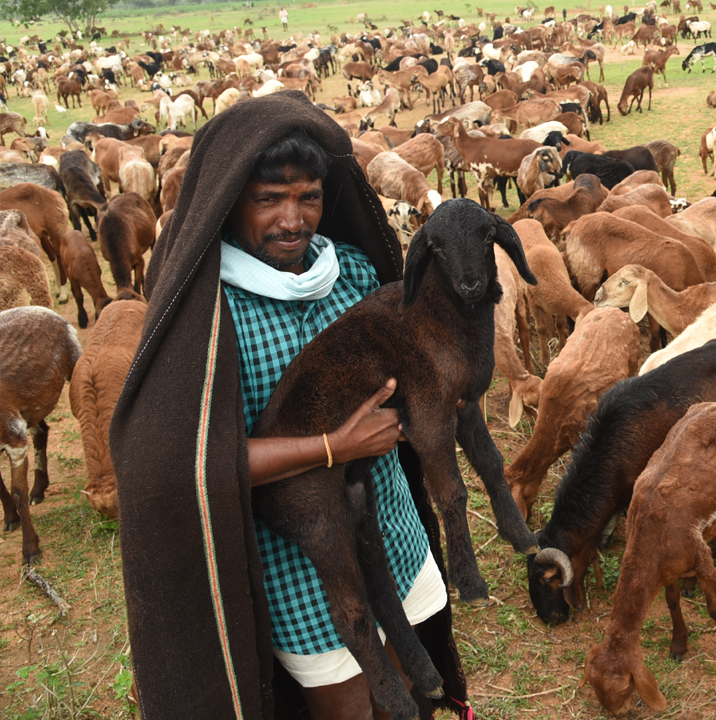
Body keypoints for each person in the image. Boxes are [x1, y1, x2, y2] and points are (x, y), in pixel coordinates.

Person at [113, 91, 471, 720]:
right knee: (350, 710)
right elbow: (186, 464)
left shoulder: (353, 272)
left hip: (395, 533)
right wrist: (335, 447)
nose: (293, 219)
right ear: (230, 203)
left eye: (308, 196)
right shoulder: (211, 317)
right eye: (268, 199)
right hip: (302, 567)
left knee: (416, 691)